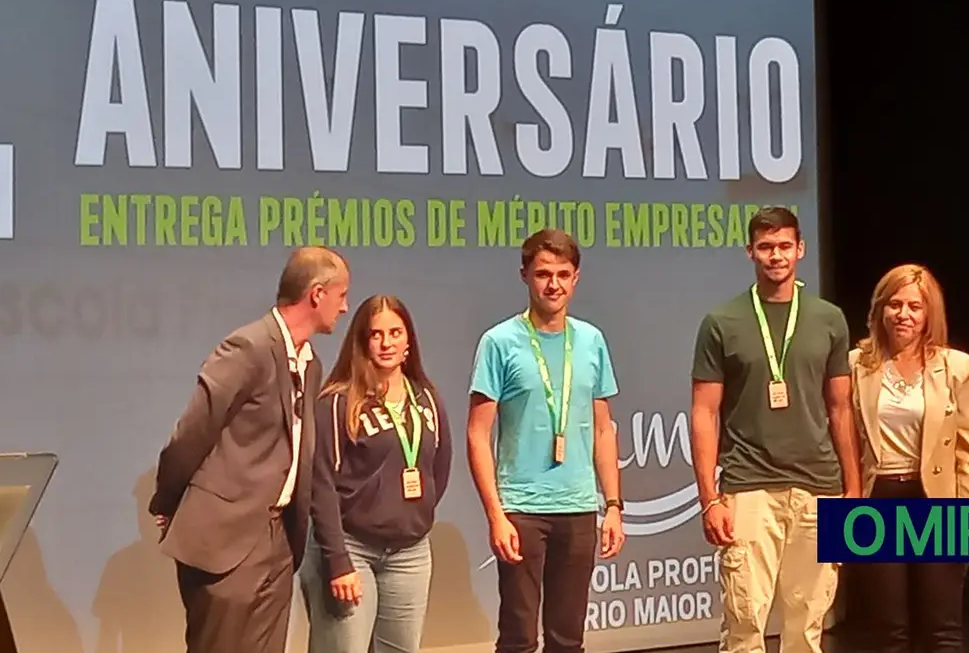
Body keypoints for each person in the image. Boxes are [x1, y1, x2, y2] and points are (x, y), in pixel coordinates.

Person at [148, 246, 350, 653]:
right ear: (316, 294)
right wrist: (167, 501)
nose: (345, 307)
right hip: (226, 539)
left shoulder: (310, 364)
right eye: (341, 295)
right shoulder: (247, 347)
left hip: (277, 540)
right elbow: (192, 431)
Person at [689, 206, 860, 653]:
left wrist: (853, 490)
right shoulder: (721, 322)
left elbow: (841, 408)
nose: (776, 255)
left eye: (785, 246)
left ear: (800, 249)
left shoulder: (829, 319)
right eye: (765, 247)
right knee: (745, 625)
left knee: (808, 628)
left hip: (820, 487)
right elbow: (704, 413)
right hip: (748, 487)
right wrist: (710, 498)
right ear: (750, 252)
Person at [466, 227, 626, 653]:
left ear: (576, 279)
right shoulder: (499, 342)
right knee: (518, 638)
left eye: (562, 273)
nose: (552, 284)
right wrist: (495, 514)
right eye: (542, 274)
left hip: (577, 509)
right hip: (521, 510)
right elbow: (477, 434)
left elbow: (603, 427)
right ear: (525, 276)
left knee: (567, 639)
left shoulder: (591, 341)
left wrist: (612, 505)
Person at [300, 294, 453, 653]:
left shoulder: (426, 398)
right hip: (350, 548)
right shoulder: (337, 402)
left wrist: (412, 511)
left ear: (408, 339)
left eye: (395, 332)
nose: (386, 343)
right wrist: (337, 559)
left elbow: (439, 467)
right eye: (376, 334)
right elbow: (320, 484)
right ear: (362, 340)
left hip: (410, 552)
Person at [848, 264, 969, 653]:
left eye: (914, 306)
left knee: (942, 629)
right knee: (887, 629)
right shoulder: (856, 364)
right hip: (877, 501)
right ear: (881, 309)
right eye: (895, 304)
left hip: (936, 500)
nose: (903, 314)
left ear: (929, 314)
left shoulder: (956, 366)